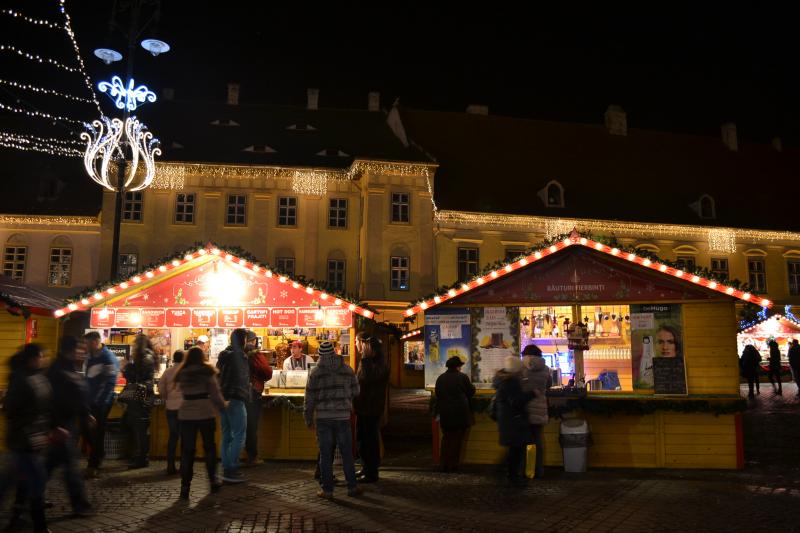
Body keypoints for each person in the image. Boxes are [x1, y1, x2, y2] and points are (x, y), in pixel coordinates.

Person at [3, 344, 53, 533]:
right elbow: (11, 409)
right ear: (33, 358)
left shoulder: (38, 377)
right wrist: (31, 426)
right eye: (42, 356)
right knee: (35, 482)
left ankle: (18, 519)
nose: (45, 359)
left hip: (33, 440)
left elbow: (46, 407)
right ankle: (39, 526)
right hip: (24, 441)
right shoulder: (21, 379)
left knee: (18, 481)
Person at [304, 341, 363, 499]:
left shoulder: (315, 372)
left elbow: (309, 398)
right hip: (343, 417)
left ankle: (327, 490)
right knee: (347, 454)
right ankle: (352, 487)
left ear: (320, 355)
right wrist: (345, 396)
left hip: (323, 419)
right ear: (334, 353)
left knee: (325, 455)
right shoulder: (347, 369)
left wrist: (308, 418)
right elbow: (357, 390)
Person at [45, 336, 94, 517]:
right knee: (70, 467)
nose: (83, 351)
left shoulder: (69, 367)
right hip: (62, 426)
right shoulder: (57, 370)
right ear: (70, 350)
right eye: (80, 348)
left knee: (48, 466)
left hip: (68, 425)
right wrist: (56, 425)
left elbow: (77, 395)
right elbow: (52, 401)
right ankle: (80, 505)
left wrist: (85, 413)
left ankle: (26, 500)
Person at [175, 346, 228, 500]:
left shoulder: (182, 372)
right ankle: (213, 481)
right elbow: (215, 393)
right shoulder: (207, 371)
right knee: (209, 448)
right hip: (205, 411)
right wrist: (223, 405)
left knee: (187, 451)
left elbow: (179, 390)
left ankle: (185, 487)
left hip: (186, 413)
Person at [492, 355, 534, 487]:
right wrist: (531, 394)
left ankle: (506, 472)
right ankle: (510, 475)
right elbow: (516, 402)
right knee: (516, 448)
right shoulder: (511, 381)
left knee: (514, 448)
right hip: (514, 420)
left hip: (506, 419)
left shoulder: (502, 379)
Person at [354, 334, 390, 483]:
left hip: (371, 407)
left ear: (365, 345)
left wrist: (366, 359)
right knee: (362, 439)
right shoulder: (368, 361)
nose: (356, 345)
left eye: (357, 342)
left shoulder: (378, 362)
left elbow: (369, 379)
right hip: (363, 406)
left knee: (370, 440)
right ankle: (365, 467)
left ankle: (371, 472)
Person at [84, 331, 119, 478]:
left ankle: (94, 463)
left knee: (96, 432)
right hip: (90, 401)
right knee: (89, 431)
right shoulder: (91, 357)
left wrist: (99, 401)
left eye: (87, 343)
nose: (85, 346)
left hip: (101, 402)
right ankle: (97, 456)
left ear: (94, 342)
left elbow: (110, 382)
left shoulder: (107, 357)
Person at [217, 328, 250, 483]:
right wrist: (230, 396)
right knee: (239, 435)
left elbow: (218, 376)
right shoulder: (240, 356)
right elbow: (236, 378)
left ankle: (226, 466)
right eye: (246, 339)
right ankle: (230, 470)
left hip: (222, 399)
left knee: (227, 434)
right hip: (235, 399)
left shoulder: (223, 355)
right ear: (242, 340)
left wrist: (222, 396)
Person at [434, 355, 475, 473]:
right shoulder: (462, 377)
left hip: (445, 413)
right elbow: (471, 391)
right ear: (458, 366)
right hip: (460, 413)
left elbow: (438, 394)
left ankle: (443, 464)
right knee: (457, 439)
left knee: (446, 439)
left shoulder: (441, 378)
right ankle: (453, 465)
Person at [122, 334, 156, 469]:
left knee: (140, 428)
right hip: (143, 396)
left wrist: (126, 367)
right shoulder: (148, 357)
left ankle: (142, 458)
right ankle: (139, 456)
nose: (133, 346)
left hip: (141, 397)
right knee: (138, 427)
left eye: (135, 344)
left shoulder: (145, 358)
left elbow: (137, 377)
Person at [521, 344, 552, 479]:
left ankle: (524, 471)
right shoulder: (546, 369)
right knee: (537, 441)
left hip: (524, 409)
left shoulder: (520, 368)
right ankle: (538, 471)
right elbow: (549, 384)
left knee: (522, 443)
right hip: (539, 409)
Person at [244, 331, 272, 466]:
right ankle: (252, 456)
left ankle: (233, 459)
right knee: (252, 425)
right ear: (254, 340)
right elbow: (267, 372)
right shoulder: (255, 354)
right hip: (252, 393)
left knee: (239, 427)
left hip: (237, 394)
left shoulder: (232, 353)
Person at [158, 350, 185, 475]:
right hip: (184, 408)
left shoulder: (168, 371)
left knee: (173, 437)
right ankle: (184, 465)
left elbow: (161, 387)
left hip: (171, 408)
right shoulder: (186, 371)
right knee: (185, 437)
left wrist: (165, 397)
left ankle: (170, 465)